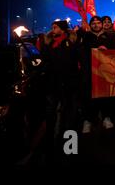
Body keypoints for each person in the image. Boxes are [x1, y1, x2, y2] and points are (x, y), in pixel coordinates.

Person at [38, 20, 80, 162]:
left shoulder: (71, 42)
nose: (52, 29)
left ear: (62, 29)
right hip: (53, 85)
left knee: (70, 116)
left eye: (55, 27)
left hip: (69, 85)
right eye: (52, 27)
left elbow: (74, 61)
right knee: (51, 115)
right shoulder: (49, 43)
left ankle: (71, 147)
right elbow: (44, 60)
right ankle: (51, 146)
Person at [77, 16, 115, 133]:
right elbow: (80, 53)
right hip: (90, 72)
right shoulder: (85, 37)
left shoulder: (109, 37)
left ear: (102, 24)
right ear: (90, 25)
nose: (96, 25)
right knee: (89, 98)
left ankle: (106, 118)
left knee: (105, 97)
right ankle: (88, 120)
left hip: (105, 73)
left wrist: (107, 50)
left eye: (98, 23)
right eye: (93, 23)